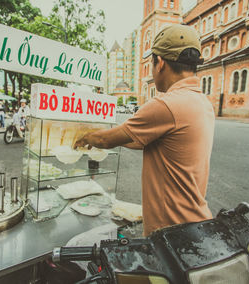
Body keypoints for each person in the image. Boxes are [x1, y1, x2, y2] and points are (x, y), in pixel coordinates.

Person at [74, 24, 215, 236]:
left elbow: (107, 141)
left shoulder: (167, 104)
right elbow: (140, 139)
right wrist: (108, 136)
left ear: (160, 64)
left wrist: (84, 136)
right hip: (196, 222)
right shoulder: (202, 102)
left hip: (170, 231)